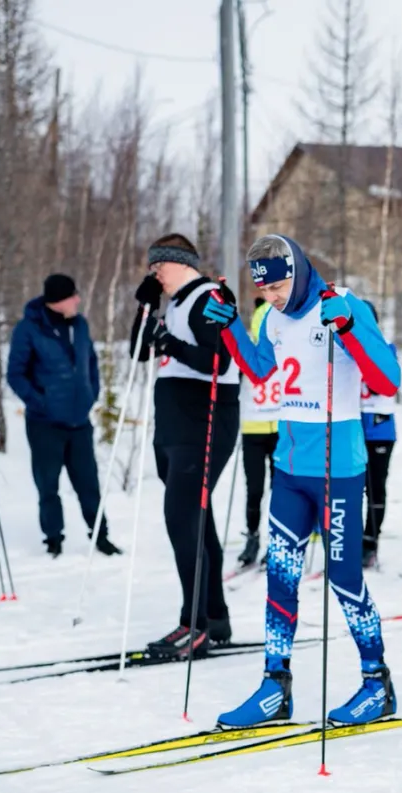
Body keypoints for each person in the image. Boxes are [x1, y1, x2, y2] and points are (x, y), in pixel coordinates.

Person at [217, 235, 401, 727]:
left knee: (344, 579)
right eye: (266, 290)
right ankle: (275, 685)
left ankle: (376, 683)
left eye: (279, 286)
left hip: (337, 468)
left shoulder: (343, 304)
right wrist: (232, 324)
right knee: (281, 575)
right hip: (290, 466)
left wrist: (348, 329)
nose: (273, 297)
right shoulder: (274, 319)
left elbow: (387, 380)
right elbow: (260, 371)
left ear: (297, 272)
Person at [133, 233, 246, 659]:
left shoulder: (205, 297)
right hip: (176, 427)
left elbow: (221, 360)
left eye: (157, 267)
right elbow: (138, 352)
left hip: (205, 423)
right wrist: (146, 308)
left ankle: (194, 623)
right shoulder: (175, 302)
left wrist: (173, 345)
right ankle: (214, 616)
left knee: (182, 519)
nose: (154, 274)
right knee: (198, 522)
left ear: (177, 263)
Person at [7, 273, 120, 558]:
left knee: (88, 483)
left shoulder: (79, 325)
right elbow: (15, 374)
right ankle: (54, 538)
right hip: (45, 424)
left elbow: (91, 363)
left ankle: (100, 535)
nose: (78, 300)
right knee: (48, 484)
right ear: (58, 300)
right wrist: (40, 402)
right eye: (73, 295)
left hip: (79, 421)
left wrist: (90, 394)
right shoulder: (28, 329)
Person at [236, 296, 282, 568]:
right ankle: (252, 538)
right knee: (254, 490)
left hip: (279, 429)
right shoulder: (248, 353)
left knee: (280, 490)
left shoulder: (286, 351)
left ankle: (277, 541)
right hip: (252, 430)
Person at [359, 298, 399, 570]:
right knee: (350, 488)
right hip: (352, 427)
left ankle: (370, 541)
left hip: (379, 429)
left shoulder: (385, 348)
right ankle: (351, 540)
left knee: (375, 488)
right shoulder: (346, 349)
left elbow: (383, 385)